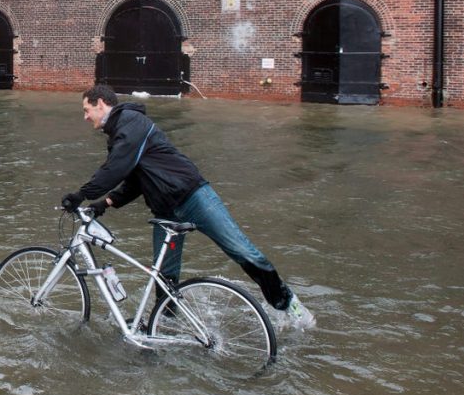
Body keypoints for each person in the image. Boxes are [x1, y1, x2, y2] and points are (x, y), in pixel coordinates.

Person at [61, 85, 315, 329]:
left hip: (194, 197)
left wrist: (81, 194)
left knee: (243, 251)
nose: (85, 117)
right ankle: (165, 325)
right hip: (166, 213)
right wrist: (104, 203)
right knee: (165, 275)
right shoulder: (120, 134)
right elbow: (136, 181)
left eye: (86, 110)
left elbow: (115, 168)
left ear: (102, 104)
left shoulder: (131, 122)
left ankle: (287, 303)